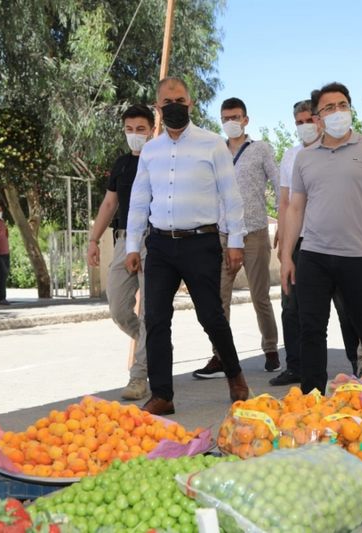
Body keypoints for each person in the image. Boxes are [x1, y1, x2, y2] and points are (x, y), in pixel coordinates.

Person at [125, 77, 249, 415]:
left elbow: (231, 196)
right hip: (161, 245)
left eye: (180, 99)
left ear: (190, 104)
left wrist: (235, 241)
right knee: (156, 320)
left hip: (201, 242)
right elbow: (139, 200)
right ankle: (162, 394)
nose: (174, 106)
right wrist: (132, 246)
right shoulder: (150, 150)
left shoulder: (212, 144)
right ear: (158, 107)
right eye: (167, 102)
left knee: (211, 316)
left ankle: (235, 374)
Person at [280, 82, 362, 394]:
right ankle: (311, 400)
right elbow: (295, 209)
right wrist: (286, 257)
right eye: (329, 108)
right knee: (311, 329)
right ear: (318, 118)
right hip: (313, 256)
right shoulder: (304, 158)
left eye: (342, 105)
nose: (337, 112)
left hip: (359, 256)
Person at [269, 99, 360, 386]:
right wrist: (285, 245)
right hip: (300, 242)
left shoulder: (338, 152)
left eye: (310, 120)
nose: (305, 126)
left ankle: (358, 365)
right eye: (299, 122)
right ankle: (295, 366)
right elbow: (285, 203)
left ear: (320, 120)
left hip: (336, 242)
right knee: (292, 308)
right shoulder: (291, 156)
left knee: (348, 309)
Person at [193, 97, 280, 379]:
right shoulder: (214, 151)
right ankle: (220, 356)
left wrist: (285, 224)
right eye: (226, 118)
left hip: (253, 231)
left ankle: (270, 350)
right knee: (218, 299)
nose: (231, 122)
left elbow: (279, 187)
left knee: (260, 297)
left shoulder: (261, 150)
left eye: (236, 117)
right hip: (220, 234)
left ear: (246, 120)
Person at [87, 104, 154, 401]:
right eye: (129, 130)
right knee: (117, 306)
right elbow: (109, 204)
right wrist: (93, 239)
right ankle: (152, 343)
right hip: (123, 240)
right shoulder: (121, 164)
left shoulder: (161, 160)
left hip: (155, 241)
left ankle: (139, 376)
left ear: (152, 129)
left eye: (140, 129)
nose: (134, 135)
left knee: (150, 313)